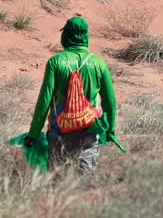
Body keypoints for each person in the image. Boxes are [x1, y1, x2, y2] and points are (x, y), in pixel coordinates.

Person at [24, 16, 118, 173]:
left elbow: (44, 100)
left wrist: (33, 134)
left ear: (66, 35)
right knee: (85, 180)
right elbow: (110, 101)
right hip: (90, 130)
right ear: (86, 36)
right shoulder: (99, 63)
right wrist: (110, 129)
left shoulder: (56, 62)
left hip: (60, 131)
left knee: (57, 181)